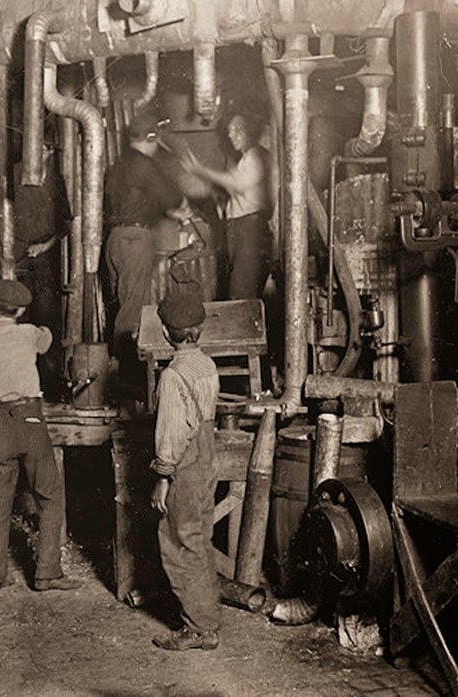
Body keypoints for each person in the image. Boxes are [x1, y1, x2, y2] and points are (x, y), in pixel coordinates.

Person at [0, 279, 80, 594]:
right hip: (29, 418)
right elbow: (47, 338)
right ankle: (47, 573)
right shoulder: (29, 334)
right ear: (22, 310)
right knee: (50, 496)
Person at [149, 285, 220, 651]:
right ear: (201, 328)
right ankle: (208, 617)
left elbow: (171, 435)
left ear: (165, 333)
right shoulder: (206, 365)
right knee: (200, 540)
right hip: (207, 460)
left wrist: (163, 477)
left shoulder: (173, 376)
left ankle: (199, 629)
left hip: (185, 467)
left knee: (178, 544)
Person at [104, 110, 188, 363]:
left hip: (115, 240)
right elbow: (171, 196)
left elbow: (134, 200)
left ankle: (122, 366)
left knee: (122, 303)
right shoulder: (144, 164)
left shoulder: (117, 166)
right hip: (135, 239)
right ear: (150, 139)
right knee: (134, 309)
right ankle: (128, 372)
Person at [180, 113, 272, 299]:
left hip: (250, 230)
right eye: (229, 131)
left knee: (241, 294)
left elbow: (237, 183)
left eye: (236, 130)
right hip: (241, 229)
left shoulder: (257, 155)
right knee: (240, 290)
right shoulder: (246, 158)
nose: (230, 135)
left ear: (249, 132)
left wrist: (201, 171)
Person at [12, 139, 72, 395]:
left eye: (46, 149)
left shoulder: (57, 181)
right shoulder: (15, 173)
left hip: (47, 258)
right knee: (18, 314)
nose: (41, 153)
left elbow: (66, 226)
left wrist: (45, 246)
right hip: (19, 253)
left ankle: (48, 381)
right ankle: (18, 378)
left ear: (49, 153)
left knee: (46, 316)